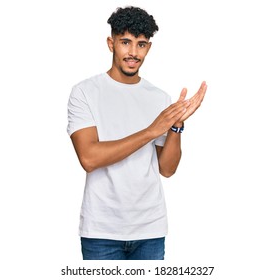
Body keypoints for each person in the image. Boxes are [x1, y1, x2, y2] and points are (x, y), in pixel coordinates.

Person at [67, 6, 207, 260]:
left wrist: (175, 126)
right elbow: (89, 158)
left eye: (141, 45)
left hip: (150, 229)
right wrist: (152, 130)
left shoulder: (159, 97)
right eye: (125, 42)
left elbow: (167, 169)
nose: (133, 53)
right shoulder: (85, 92)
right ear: (111, 44)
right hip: (101, 231)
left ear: (148, 48)